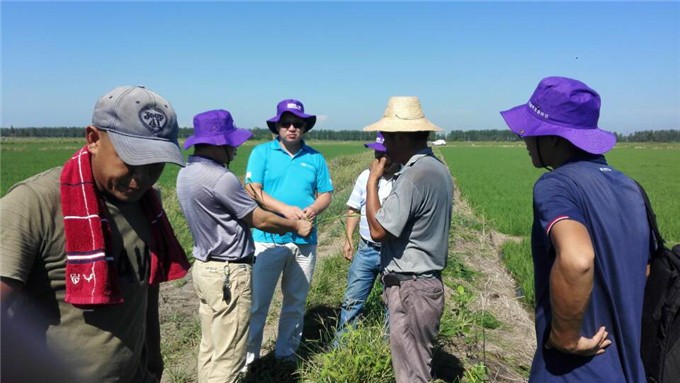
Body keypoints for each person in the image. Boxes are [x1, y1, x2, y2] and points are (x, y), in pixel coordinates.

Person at [0, 85, 190, 382]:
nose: (141, 177)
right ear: (93, 139)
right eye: (131, 160)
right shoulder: (34, 204)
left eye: (155, 164)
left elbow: (146, 288)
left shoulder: (147, 207)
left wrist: (153, 358)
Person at [499, 76, 649, 381]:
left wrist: (564, 339)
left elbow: (577, 259)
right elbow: (644, 271)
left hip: (574, 370)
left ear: (554, 138)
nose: (524, 140)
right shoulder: (630, 187)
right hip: (628, 367)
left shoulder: (556, 185)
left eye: (530, 132)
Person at [175, 109, 312, 383]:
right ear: (219, 144)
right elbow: (258, 218)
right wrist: (295, 225)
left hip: (204, 268)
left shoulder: (187, 174)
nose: (235, 150)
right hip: (228, 273)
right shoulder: (219, 178)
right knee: (229, 357)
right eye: (231, 144)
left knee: (211, 347)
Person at [363, 96, 454, 383]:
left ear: (401, 136)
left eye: (388, 137)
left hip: (412, 287)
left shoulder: (414, 176)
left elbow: (378, 230)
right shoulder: (437, 169)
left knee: (413, 371)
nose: (385, 145)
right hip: (422, 283)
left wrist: (372, 180)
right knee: (414, 364)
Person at [244, 99, 333, 365]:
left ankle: (286, 355)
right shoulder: (262, 153)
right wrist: (285, 210)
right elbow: (253, 189)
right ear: (277, 127)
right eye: (286, 123)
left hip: (305, 241)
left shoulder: (315, 157)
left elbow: (326, 193)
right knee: (258, 303)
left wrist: (313, 210)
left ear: (304, 127)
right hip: (267, 241)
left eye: (298, 124)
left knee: (295, 302)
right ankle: (249, 361)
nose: (292, 128)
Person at [334, 132, 400, 345]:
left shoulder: (403, 180)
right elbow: (353, 209)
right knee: (352, 300)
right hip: (367, 249)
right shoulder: (365, 176)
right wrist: (348, 239)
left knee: (393, 304)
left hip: (394, 253)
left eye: (385, 154)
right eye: (377, 153)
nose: (381, 159)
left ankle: (386, 349)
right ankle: (340, 347)